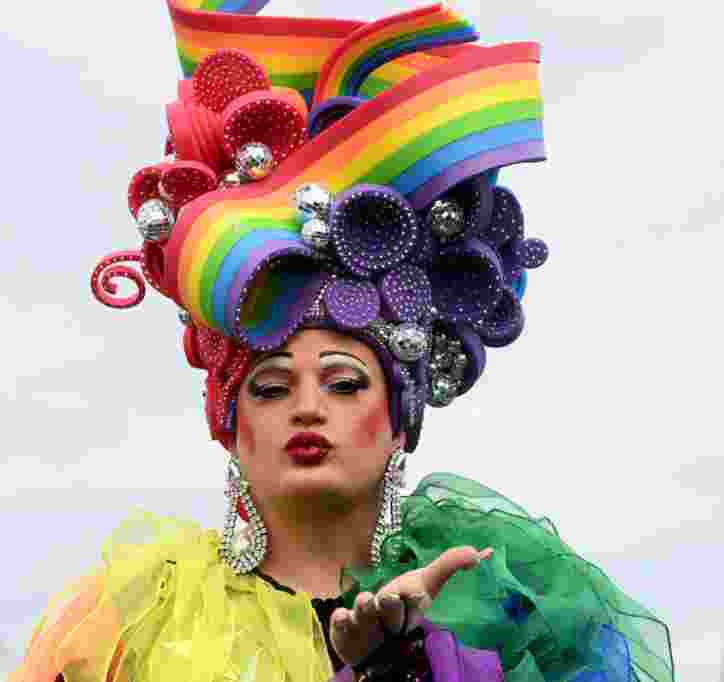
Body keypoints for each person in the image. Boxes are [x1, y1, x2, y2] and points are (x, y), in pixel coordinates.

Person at [13, 2, 674, 681]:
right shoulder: (136, 627)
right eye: (270, 387)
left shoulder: (505, 611)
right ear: (230, 427)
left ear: (398, 420)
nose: (307, 408)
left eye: (344, 381)